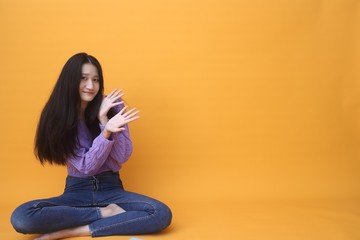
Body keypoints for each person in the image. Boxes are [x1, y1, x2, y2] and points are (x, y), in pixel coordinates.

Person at [10, 53, 172, 240]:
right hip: (76, 192)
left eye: (96, 80)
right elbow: (87, 167)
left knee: (160, 213)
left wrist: (105, 121)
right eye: (84, 79)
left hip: (111, 189)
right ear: (70, 80)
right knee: (22, 218)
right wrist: (105, 134)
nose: (90, 86)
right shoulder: (59, 117)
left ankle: (72, 231)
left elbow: (121, 158)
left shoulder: (113, 107)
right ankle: (103, 214)